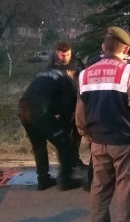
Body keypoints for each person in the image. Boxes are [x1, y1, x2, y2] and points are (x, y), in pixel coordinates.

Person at [76, 27, 130, 222]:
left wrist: (87, 135)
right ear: (125, 50)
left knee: (99, 189)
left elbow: (80, 114)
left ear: (103, 47)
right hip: (125, 142)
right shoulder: (129, 72)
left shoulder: (84, 74)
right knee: (128, 191)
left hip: (98, 142)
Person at [18, 64, 81, 191]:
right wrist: (66, 130)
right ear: (71, 72)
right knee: (64, 142)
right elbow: (66, 108)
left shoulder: (47, 74)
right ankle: (66, 180)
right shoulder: (66, 81)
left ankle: (43, 180)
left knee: (39, 145)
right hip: (40, 111)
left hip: (23, 109)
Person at [46, 40, 85, 168]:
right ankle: (67, 161)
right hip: (62, 105)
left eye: (68, 54)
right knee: (66, 134)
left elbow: (85, 75)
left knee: (78, 132)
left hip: (78, 102)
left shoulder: (77, 62)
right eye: (63, 55)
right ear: (57, 53)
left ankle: (75, 158)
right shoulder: (52, 67)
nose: (66, 57)